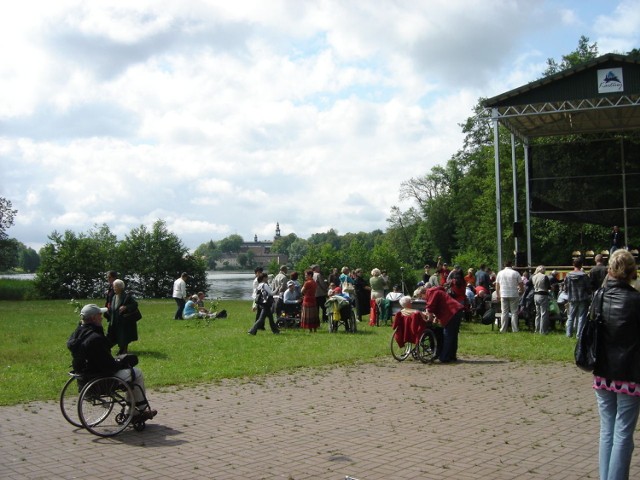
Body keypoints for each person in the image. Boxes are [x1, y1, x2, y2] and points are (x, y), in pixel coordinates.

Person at [592, 249, 640, 480]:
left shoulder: (599, 296)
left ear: (610, 269)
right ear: (632, 271)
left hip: (602, 371)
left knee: (607, 431)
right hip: (630, 373)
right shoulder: (636, 300)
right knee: (623, 432)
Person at [67, 303, 157, 421]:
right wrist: (121, 362)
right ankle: (136, 411)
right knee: (136, 373)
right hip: (101, 377)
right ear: (93, 318)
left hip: (84, 375)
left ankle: (133, 409)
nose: (102, 317)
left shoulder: (77, 334)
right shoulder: (95, 338)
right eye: (100, 315)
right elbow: (108, 366)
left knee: (128, 371)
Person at [424, 286, 464, 363]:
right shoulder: (439, 292)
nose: (423, 299)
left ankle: (444, 357)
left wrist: (429, 319)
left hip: (452, 312)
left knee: (447, 335)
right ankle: (451, 356)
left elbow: (430, 307)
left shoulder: (432, 293)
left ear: (423, 293)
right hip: (457, 310)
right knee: (453, 335)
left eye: (422, 296)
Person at [107, 279, 139, 355]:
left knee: (123, 336)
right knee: (112, 335)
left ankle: (123, 350)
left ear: (120, 287)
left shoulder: (126, 297)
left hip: (123, 321)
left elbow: (135, 304)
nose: (114, 288)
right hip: (114, 320)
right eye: (113, 287)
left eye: (115, 287)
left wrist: (126, 307)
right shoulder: (114, 296)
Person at [564, 258, 591, 338]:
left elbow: (565, 288)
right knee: (581, 317)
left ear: (573, 264)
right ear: (581, 265)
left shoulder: (568, 275)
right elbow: (588, 287)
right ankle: (579, 335)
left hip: (572, 298)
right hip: (583, 298)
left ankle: (568, 334)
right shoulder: (584, 276)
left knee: (570, 317)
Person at [495, 260, 524, 333]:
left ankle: (503, 329)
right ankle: (515, 329)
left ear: (504, 265)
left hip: (503, 294)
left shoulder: (500, 273)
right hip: (513, 294)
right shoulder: (515, 273)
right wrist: (521, 291)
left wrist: (498, 295)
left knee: (504, 312)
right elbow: (521, 284)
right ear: (511, 265)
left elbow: (497, 285)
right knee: (514, 312)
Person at [531, 265, 550, 334]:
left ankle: (537, 329)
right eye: (544, 269)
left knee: (537, 314)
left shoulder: (533, 277)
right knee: (544, 313)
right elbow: (548, 286)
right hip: (543, 294)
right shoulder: (544, 277)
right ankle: (543, 331)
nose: (545, 271)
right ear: (542, 270)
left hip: (535, 295)